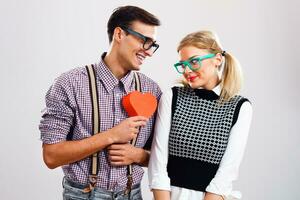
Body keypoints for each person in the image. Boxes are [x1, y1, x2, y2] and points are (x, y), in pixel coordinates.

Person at [39, 5, 161, 200]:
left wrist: (138, 156)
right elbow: (51, 156)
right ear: (119, 34)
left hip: (133, 194)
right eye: (145, 41)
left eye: (153, 45)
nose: (149, 52)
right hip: (82, 195)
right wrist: (111, 136)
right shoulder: (70, 84)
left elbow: (164, 155)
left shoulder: (152, 91)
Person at [148, 30, 253, 200]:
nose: (187, 70)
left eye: (194, 62)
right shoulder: (172, 97)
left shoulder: (240, 107)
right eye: (183, 64)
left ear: (217, 59)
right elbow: (158, 162)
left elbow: (227, 172)